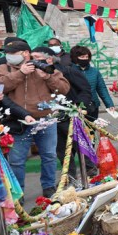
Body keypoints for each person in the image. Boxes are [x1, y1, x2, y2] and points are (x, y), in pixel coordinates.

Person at [0, 40, 70, 197]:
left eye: (12, 53)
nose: (8, 56)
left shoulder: (43, 66)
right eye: (7, 53)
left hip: (45, 119)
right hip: (18, 122)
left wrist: (48, 77)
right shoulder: (3, 68)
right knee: (16, 160)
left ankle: (49, 188)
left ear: (25, 53)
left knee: (49, 156)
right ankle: (18, 194)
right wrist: (20, 73)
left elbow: (64, 89)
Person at [32, 46, 94, 180]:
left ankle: (90, 170)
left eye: (36, 58)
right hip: (51, 116)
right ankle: (70, 176)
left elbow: (85, 89)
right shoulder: (33, 75)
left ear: (48, 59)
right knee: (61, 149)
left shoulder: (67, 71)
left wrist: (79, 106)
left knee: (79, 144)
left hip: (70, 114)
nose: (33, 61)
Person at [70, 45, 115, 121]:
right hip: (76, 107)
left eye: (86, 57)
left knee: (92, 130)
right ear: (75, 57)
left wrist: (109, 104)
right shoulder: (70, 71)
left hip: (93, 105)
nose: (85, 59)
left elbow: (101, 88)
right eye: (82, 57)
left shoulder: (94, 71)